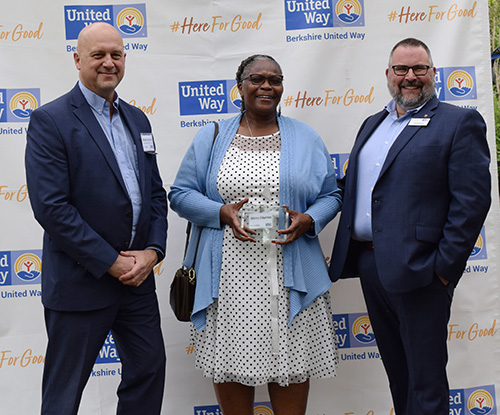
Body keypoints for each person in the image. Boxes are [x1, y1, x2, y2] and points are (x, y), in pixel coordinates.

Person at [169, 54, 341, 415]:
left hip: (289, 273)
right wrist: (220, 212)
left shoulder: (306, 137)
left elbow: (332, 194)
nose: (267, 86)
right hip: (228, 279)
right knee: (231, 365)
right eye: (256, 78)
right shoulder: (213, 136)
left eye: (275, 80)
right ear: (240, 86)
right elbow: (181, 194)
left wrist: (309, 219)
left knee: (290, 367)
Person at [329, 38, 491, 415]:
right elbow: (356, 188)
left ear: (433, 74)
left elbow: (472, 202)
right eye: (401, 69)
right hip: (371, 266)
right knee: (398, 376)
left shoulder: (458, 121)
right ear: (388, 75)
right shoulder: (372, 124)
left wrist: (443, 271)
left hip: (422, 273)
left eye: (419, 68)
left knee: (426, 381)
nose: (410, 77)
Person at [25, 22, 167, 414]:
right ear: (77, 60)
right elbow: (51, 208)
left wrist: (152, 251)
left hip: (136, 283)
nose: (109, 63)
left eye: (116, 54)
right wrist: (111, 261)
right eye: (98, 55)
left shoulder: (138, 120)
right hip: (80, 282)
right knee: (64, 392)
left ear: (125, 59)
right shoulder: (50, 120)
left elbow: (155, 194)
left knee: (148, 371)